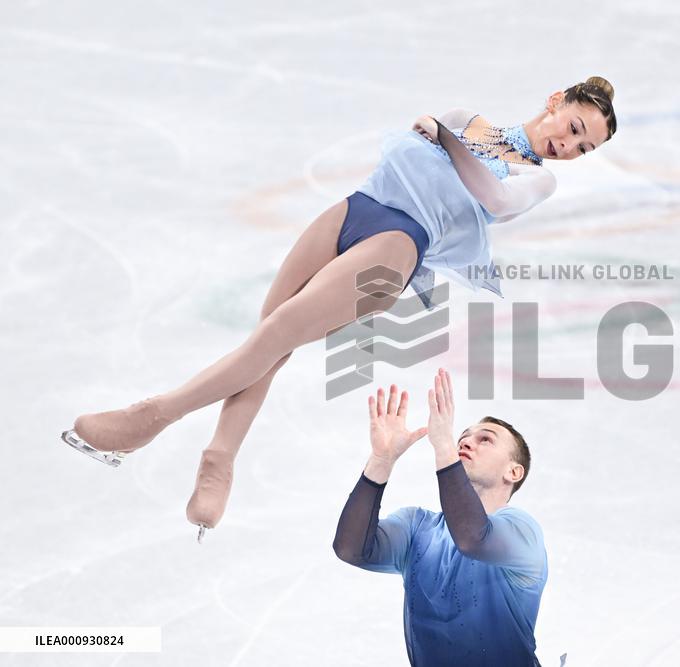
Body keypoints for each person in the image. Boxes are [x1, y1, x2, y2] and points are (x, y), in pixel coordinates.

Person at [61, 77, 617, 541]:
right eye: (574, 129)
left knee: (275, 334)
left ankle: (152, 416)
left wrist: (444, 138)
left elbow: (495, 199)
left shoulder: (535, 178)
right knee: (268, 342)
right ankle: (219, 458)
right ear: (555, 103)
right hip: (354, 208)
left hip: (398, 246)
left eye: (583, 148)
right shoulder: (467, 118)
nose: (569, 148)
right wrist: (446, 131)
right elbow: (424, 138)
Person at [334, 369, 547, 667]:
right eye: (462, 439)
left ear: (513, 472)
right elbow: (351, 549)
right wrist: (381, 462)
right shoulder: (416, 528)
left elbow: (473, 538)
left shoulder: (522, 532)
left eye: (485, 439)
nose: (467, 443)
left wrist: (445, 447)